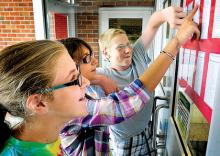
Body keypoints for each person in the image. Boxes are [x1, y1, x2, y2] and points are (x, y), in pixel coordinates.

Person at [0, 6, 199, 156]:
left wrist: (99, 78)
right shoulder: (69, 119)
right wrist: (177, 41)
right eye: (74, 78)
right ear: (38, 103)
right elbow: (126, 103)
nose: (86, 82)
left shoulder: (46, 128)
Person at [97, 6, 197, 155]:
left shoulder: (136, 54)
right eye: (120, 47)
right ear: (106, 52)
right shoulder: (101, 75)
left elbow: (153, 24)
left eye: (128, 44)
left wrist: (165, 14)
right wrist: (97, 78)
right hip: (125, 141)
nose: (128, 50)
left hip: (147, 130)